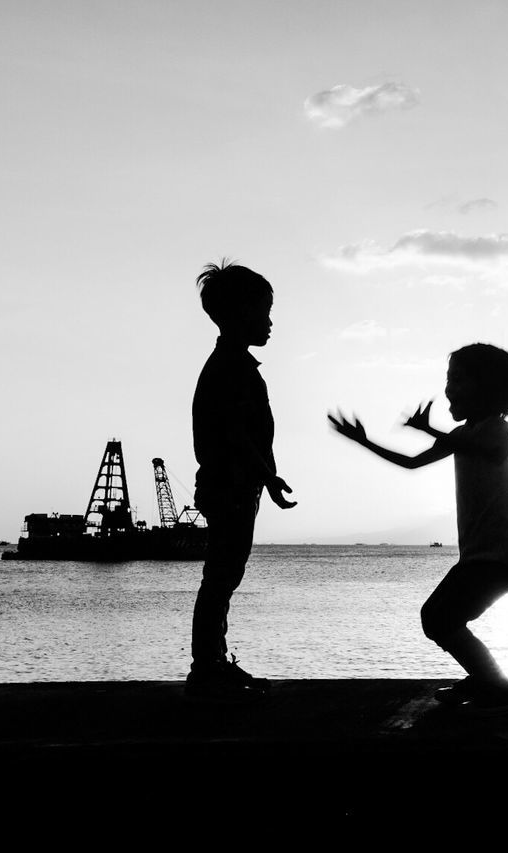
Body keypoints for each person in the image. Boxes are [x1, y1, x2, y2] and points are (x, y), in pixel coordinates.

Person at [329, 332, 508, 715]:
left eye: (457, 379)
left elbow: (483, 450)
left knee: (438, 617)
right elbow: (411, 463)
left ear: (484, 388)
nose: (448, 388)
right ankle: (487, 680)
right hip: (487, 553)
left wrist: (431, 431)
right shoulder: (462, 435)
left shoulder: (496, 431)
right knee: (445, 618)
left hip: (506, 553)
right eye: (447, 379)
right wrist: (363, 441)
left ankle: (497, 688)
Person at [187, 260, 297, 702]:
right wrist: (268, 477)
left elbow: (246, 435)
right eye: (264, 310)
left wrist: (266, 478)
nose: (270, 321)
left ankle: (212, 663)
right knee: (220, 579)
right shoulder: (231, 368)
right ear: (238, 312)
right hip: (229, 488)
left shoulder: (232, 365)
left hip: (234, 487)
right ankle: (207, 669)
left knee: (222, 577)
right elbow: (236, 434)